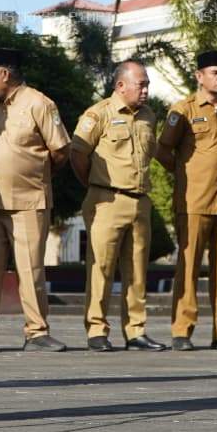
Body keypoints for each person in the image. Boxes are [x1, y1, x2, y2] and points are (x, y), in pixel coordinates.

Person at [0, 47, 70, 352]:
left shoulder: (40, 104)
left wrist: (35, 175)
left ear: (5, 74)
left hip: (28, 203)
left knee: (30, 270)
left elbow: (61, 150)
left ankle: (37, 332)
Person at [155, 49, 217, 351]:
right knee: (188, 266)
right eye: (215, 72)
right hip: (194, 202)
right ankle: (182, 331)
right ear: (200, 76)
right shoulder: (182, 109)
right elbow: (162, 152)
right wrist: (187, 175)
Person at [70, 60, 167, 351]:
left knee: (137, 270)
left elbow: (151, 154)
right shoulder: (98, 114)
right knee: (101, 268)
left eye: (148, 84)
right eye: (142, 84)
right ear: (121, 85)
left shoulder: (148, 116)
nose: (146, 90)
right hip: (107, 200)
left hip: (140, 203)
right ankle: (97, 330)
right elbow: (78, 153)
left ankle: (135, 330)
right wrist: (94, 184)